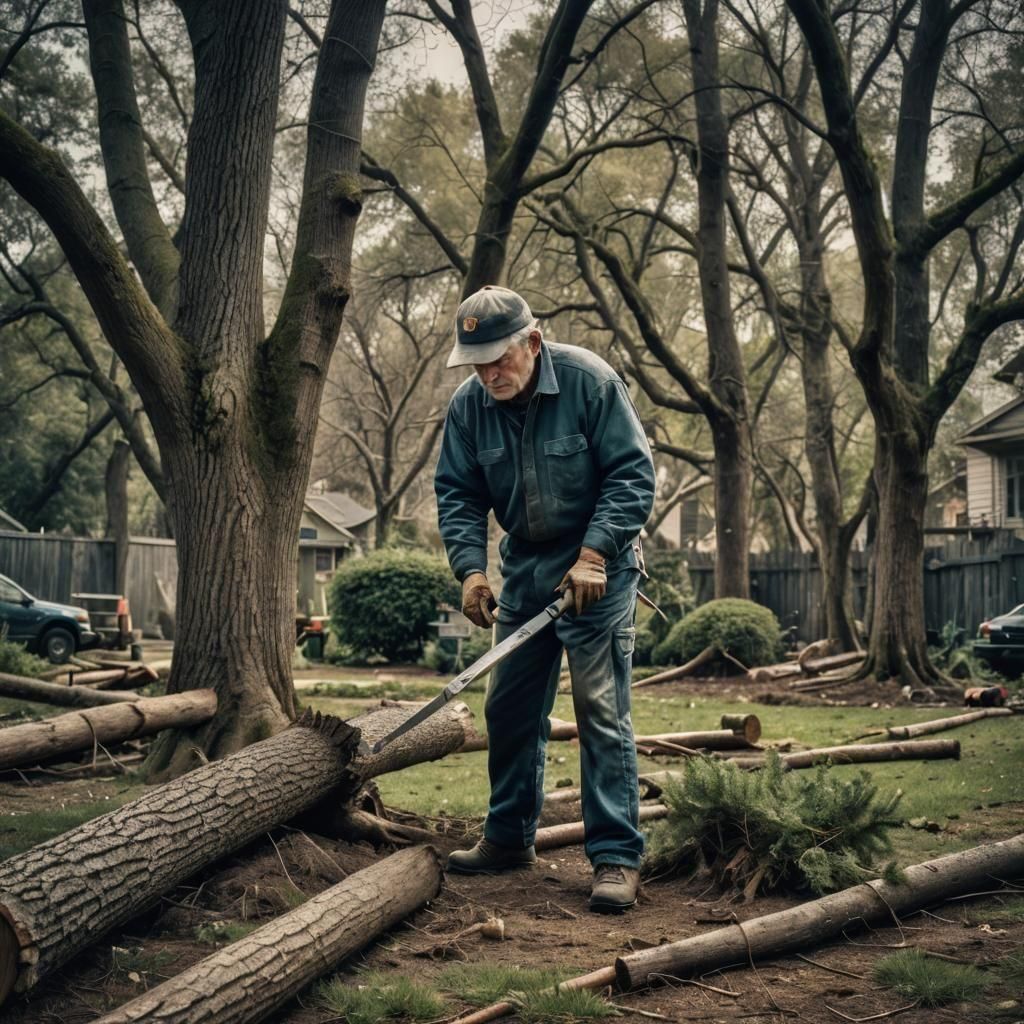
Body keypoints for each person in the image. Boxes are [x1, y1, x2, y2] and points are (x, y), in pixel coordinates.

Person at [434, 284, 656, 913]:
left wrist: (595, 554)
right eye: (476, 363)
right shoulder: (469, 407)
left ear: (532, 342)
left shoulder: (590, 383)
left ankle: (615, 856)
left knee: (599, 708)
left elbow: (632, 474)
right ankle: (508, 838)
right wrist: (471, 572)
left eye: (499, 359)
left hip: (600, 568)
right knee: (507, 705)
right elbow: (457, 491)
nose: (489, 374)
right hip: (527, 569)